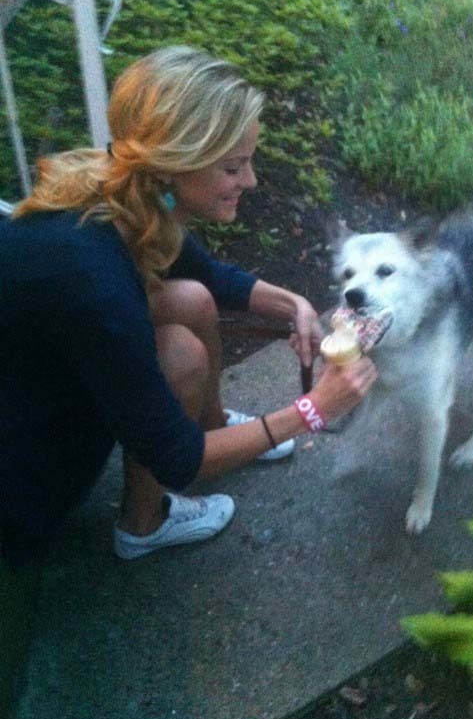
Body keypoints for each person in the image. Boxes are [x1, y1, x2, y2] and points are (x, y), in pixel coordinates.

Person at [0, 46, 377, 568]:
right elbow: (176, 458)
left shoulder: (123, 186)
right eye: (234, 167)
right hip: (26, 478)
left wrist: (292, 305)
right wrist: (311, 410)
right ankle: (143, 524)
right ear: (175, 164)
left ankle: (215, 424)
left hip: (46, 379)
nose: (251, 182)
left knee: (190, 298)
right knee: (178, 354)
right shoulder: (93, 279)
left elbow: (207, 276)